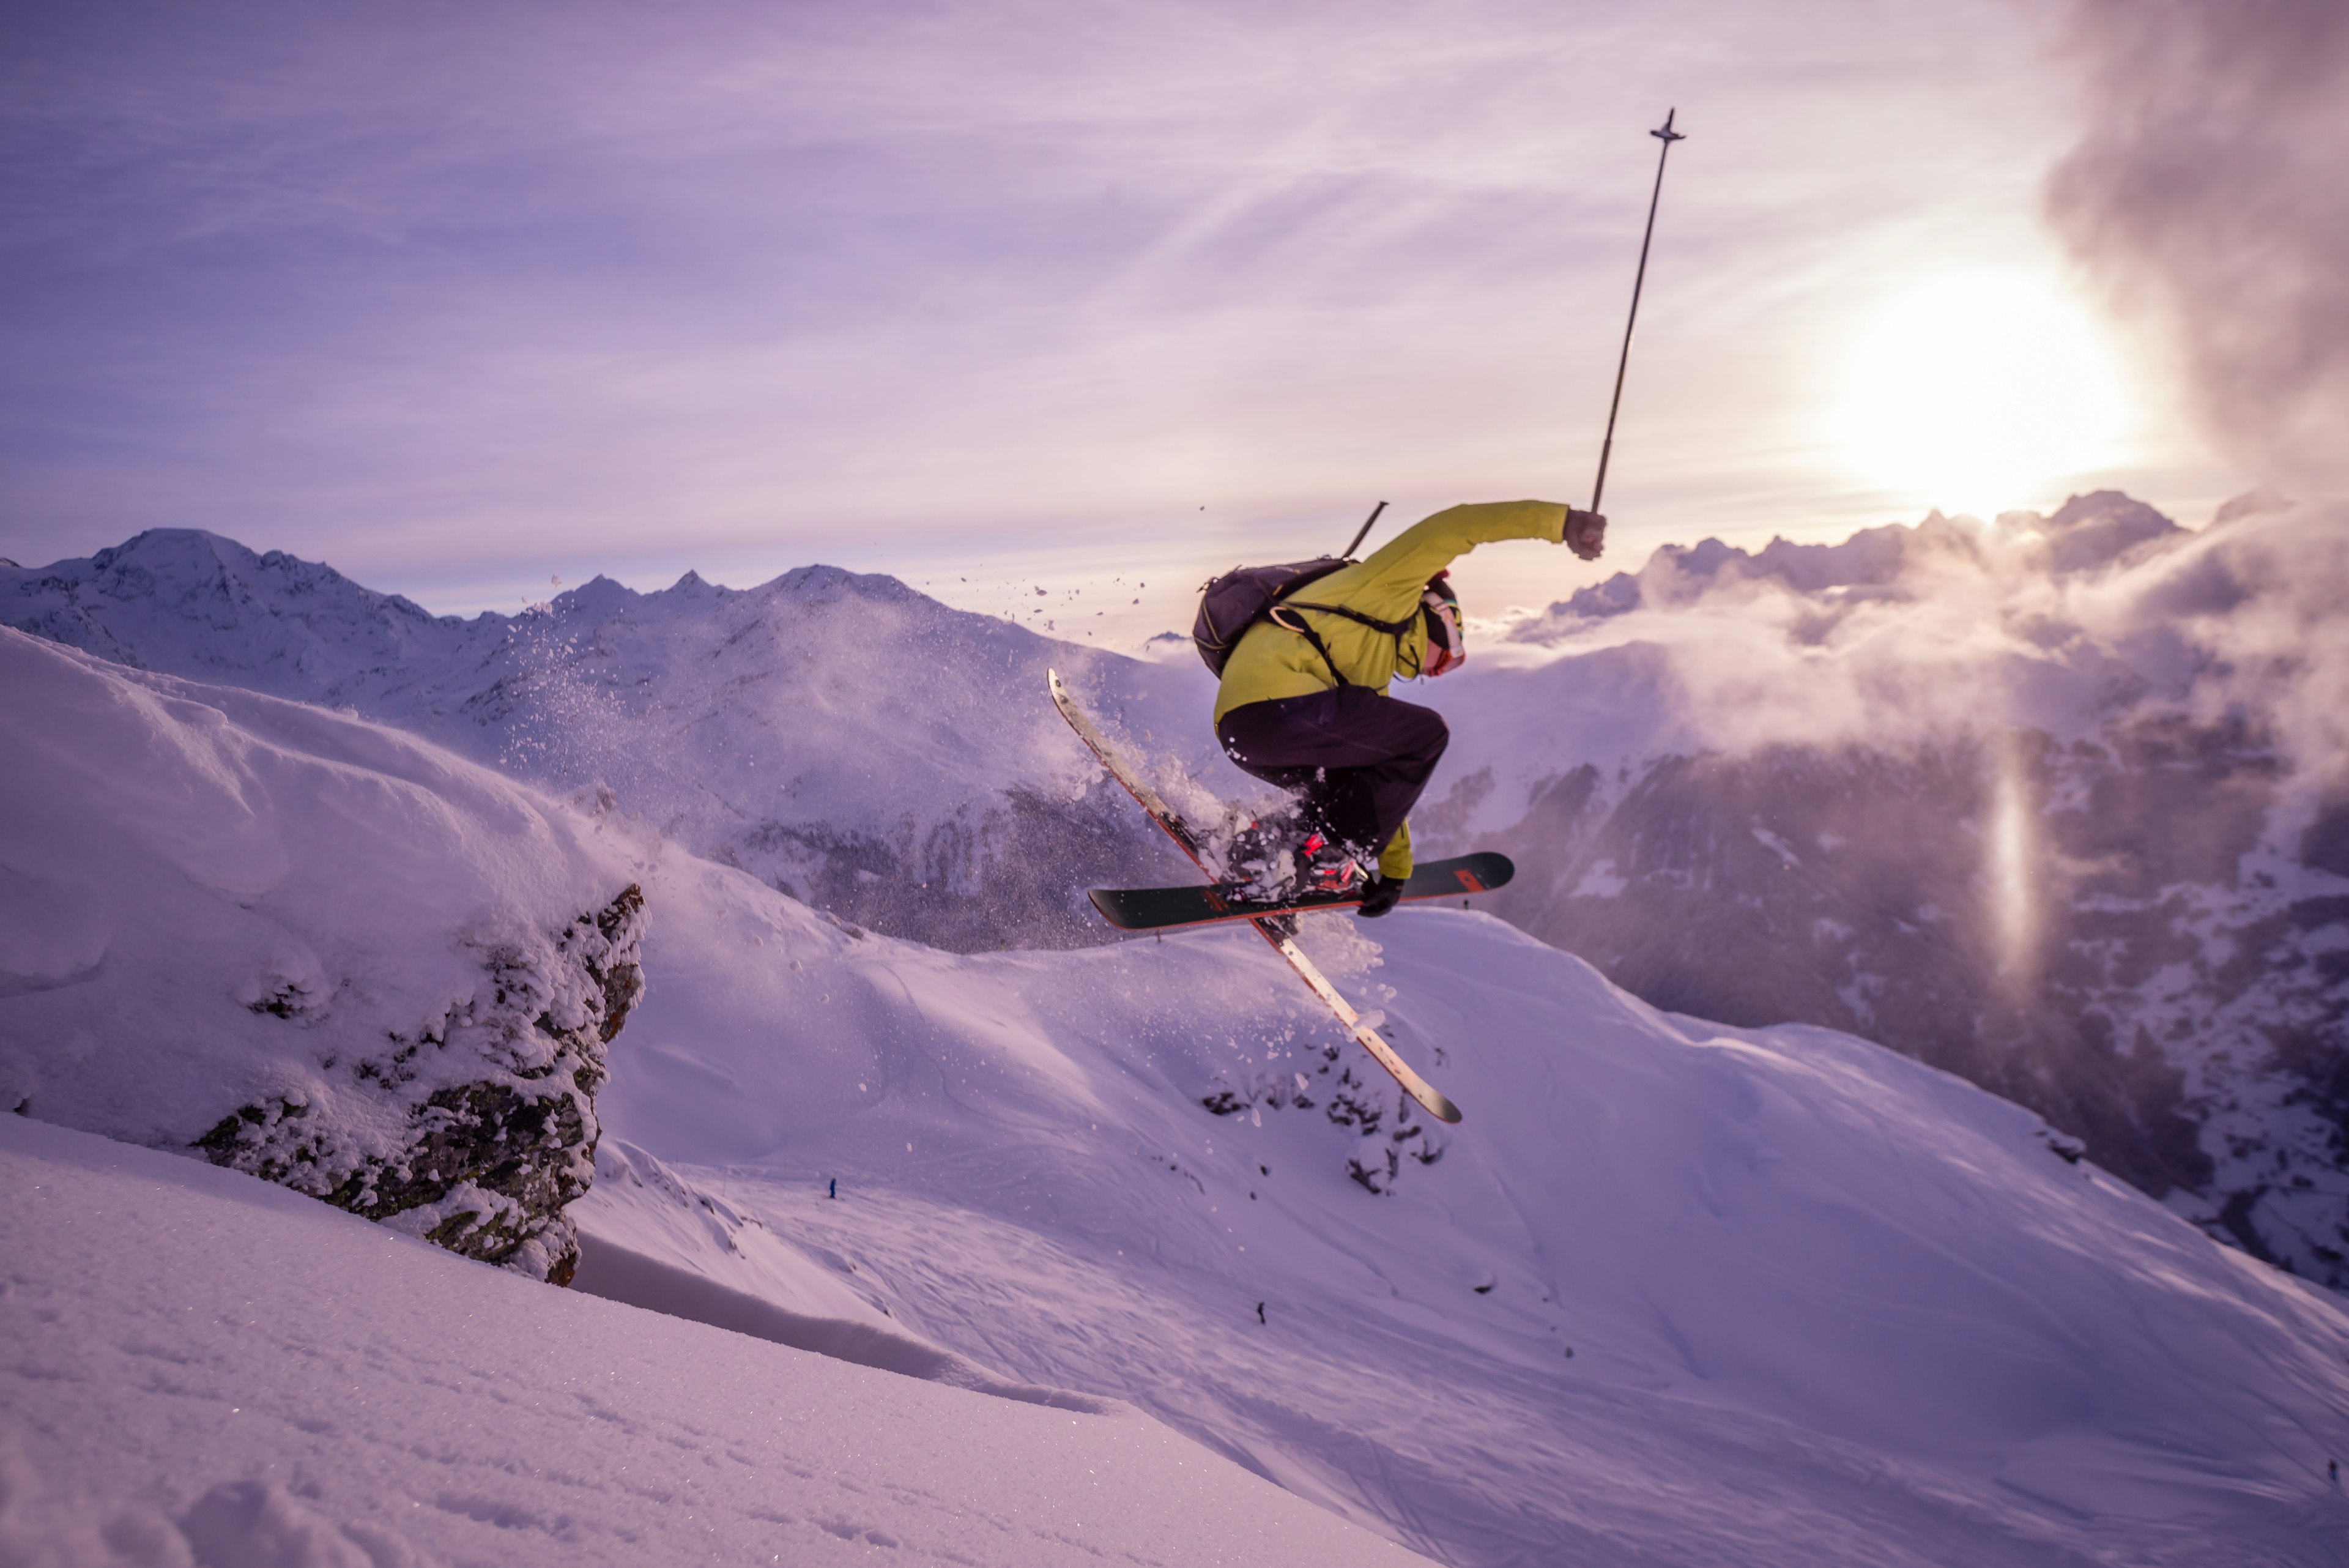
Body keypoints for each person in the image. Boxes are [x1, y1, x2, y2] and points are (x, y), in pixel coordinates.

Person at [1214, 499, 1606, 915]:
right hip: (1281, 707)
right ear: (1435, 616)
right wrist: (1562, 523)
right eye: (1450, 650)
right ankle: (1328, 859)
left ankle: (1264, 855)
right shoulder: (1388, 591)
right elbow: (1453, 526)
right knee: (1428, 734)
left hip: (1243, 728)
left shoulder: (1365, 669)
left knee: (1346, 790)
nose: (1438, 668)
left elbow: (1381, 785)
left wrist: (1395, 869)